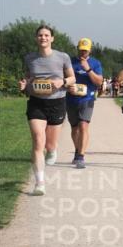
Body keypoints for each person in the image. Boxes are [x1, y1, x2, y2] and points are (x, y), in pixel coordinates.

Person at [18, 25, 74, 195]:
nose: (43, 38)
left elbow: (72, 78)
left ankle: (52, 150)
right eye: (40, 35)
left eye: (46, 35)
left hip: (56, 103)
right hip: (36, 103)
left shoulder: (62, 57)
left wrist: (62, 82)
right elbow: (29, 78)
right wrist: (24, 85)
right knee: (37, 139)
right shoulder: (30, 58)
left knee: (50, 145)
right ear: (36, 38)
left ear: (52, 38)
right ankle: (40, 183)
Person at [66, 37, 104, 170]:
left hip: (87, 99)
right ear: (78, 48)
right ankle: (77, 150)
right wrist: (67, 86)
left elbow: (99, 82)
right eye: (81, 50)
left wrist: (88, 70)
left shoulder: (95, 63)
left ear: (90, 50)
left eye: (86, 50)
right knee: (74, 128)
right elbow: (63, 79)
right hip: (71, 99)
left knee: (83, 126)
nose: (83, 52)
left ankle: (81, 156)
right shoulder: (70, 62)